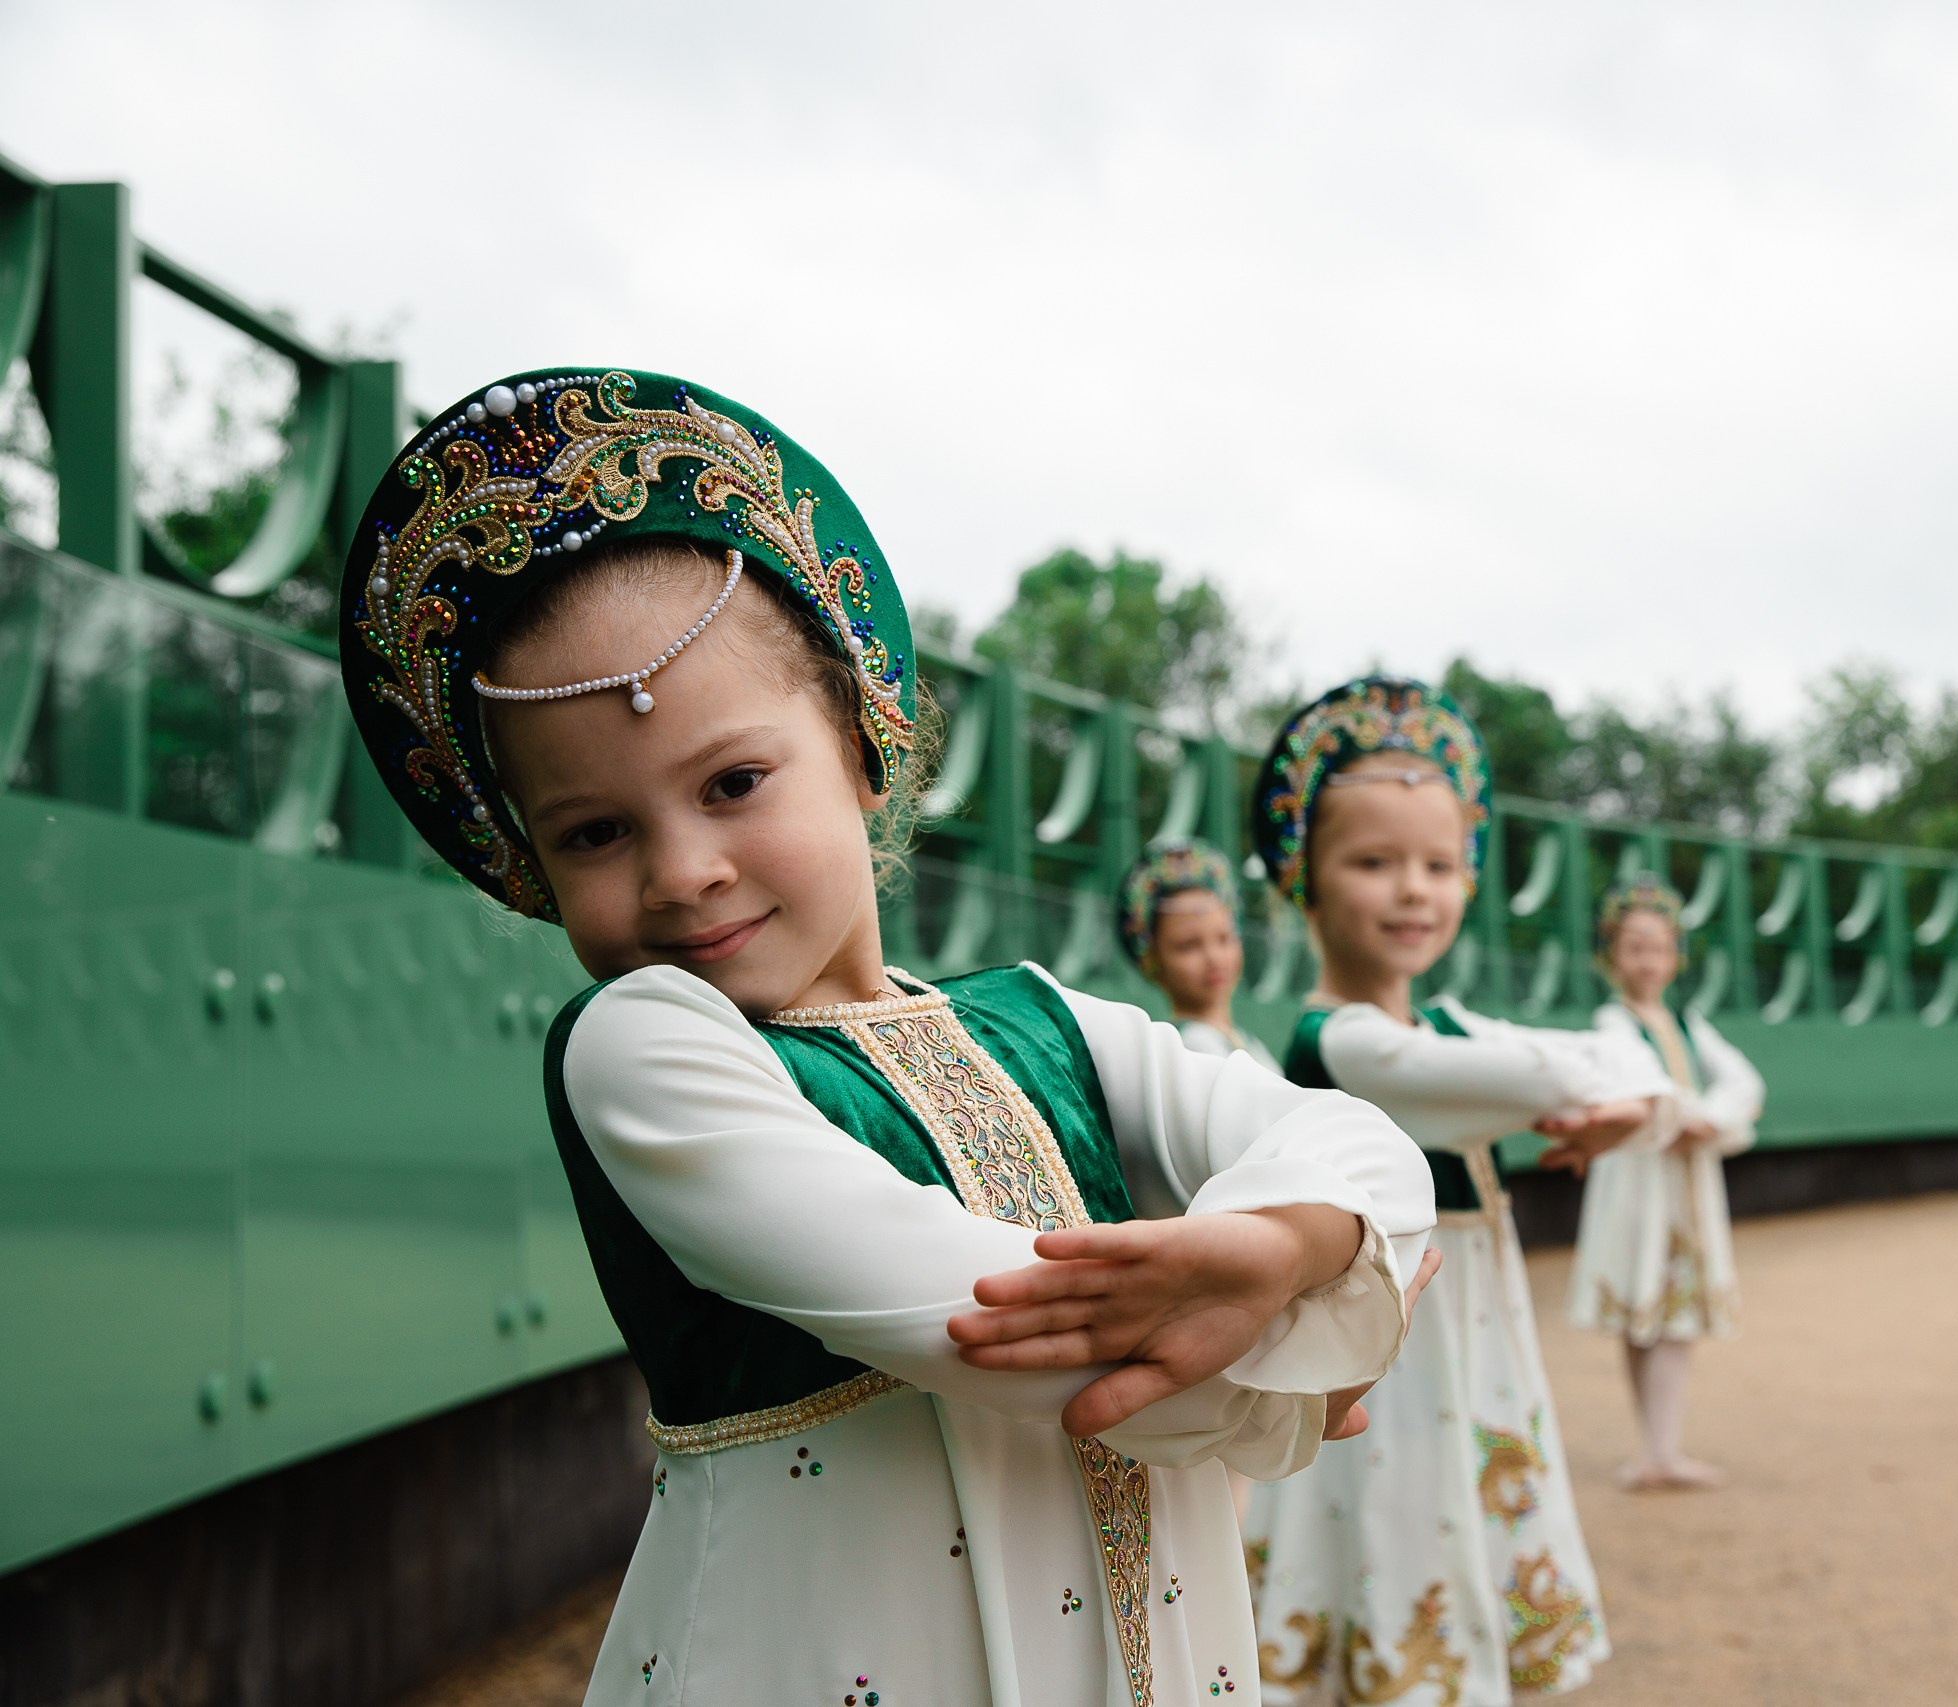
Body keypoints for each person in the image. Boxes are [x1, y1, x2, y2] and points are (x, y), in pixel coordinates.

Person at [337, 368, 1438, 1707]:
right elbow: (989, 1320)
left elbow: (1356, 1142)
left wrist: (1292, 1244)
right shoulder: (642, 1045)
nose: (681, 870)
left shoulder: (1048, 1020)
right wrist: (1315, 1358)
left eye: (734, 782)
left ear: (865, 745)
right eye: (593, 832)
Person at [1240, 676, 1680, 1706]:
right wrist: (1616, 1104)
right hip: (1383, 1359)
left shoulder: (1449, 1026)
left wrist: (1634, 1103)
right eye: (1373, 862)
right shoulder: (1340, 1038)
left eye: (1439, 865)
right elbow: (1569, 1072)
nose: (1412, 891)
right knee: (1386, 1531)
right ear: (1303, 879)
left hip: (1470, 1342)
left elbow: (1628, 1064)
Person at [1566, 874, 1764, 1491]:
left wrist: (1712, 1119)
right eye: (1634, 947)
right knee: (1641, 1304)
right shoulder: (1613, 1021)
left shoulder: (1685, 1019)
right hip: (1638, 1179)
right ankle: (1654, 1446)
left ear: (1676, 955)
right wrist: (1685, 1114)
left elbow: (1742, 1080)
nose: (1648, 960)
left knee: (1677, 1308)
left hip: (1683, 1176)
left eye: (1658, 947)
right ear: (1611, 955)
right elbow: (1636, 1081)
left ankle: (1663, 1447)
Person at [1118, 838, 1281, 1071]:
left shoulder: (1247, 1040)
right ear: (1152, 958)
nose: (1214, 957)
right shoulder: (1192, 1044)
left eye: (1224, 938)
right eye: (1188, 946)